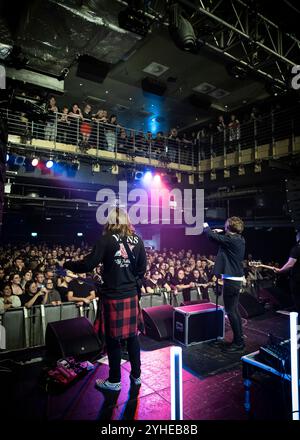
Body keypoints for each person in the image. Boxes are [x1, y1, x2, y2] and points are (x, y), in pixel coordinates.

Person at [63, 208, 147, 391]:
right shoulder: (138, 240)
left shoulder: (106, 239)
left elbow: (87, 264)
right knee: (133, 337)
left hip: (113, 296)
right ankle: (137, 376)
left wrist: (67, 264)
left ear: (110, 221)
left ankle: (115, 381)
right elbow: (142, 269)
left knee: (113, 340)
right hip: (131, 295)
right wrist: (132, 284)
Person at [203, 217, 246, 352]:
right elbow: (221, 239)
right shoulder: (239, 239)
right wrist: (221, 232)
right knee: (234, 311)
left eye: (226, 225)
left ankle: (238, 343)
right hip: (236, 279)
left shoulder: (231, 240)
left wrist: (206, 225)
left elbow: (210, 235)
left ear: (229, 226)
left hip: (232, 280)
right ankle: (240, 339)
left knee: (231, 311)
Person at [274, 231, 300, 314]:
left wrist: (281, 270)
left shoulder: (297, 248)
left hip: (297, 279)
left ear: (298, 238)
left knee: (298, 301)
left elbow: (290, 264)